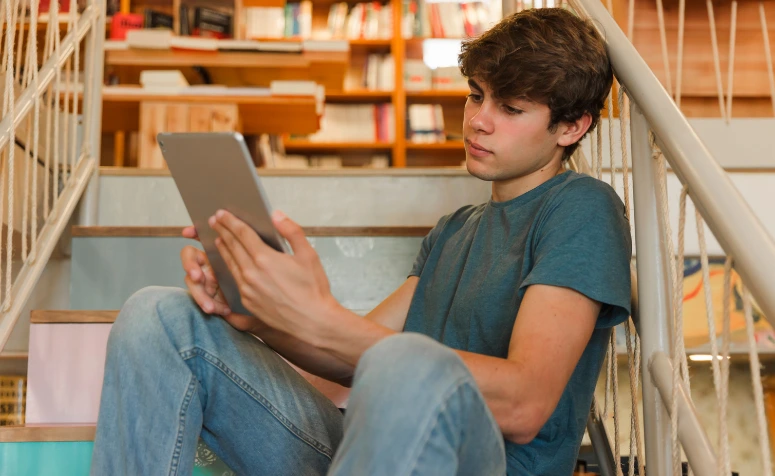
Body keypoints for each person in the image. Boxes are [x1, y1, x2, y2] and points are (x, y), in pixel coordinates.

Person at [91, 7, 631, 476]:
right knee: (156, 316)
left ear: (571, 128)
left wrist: (321, 315)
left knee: (407, 363)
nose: (477, 121)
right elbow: (352, 366)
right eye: (475, 95)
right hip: (367, 452)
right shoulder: (454, 229)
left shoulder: (582, 207)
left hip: (478, 463)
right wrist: (259, 315)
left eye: (510, 109)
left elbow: (525, 402)